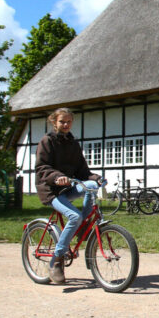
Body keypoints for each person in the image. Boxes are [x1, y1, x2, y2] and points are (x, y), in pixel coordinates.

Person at [35, 107, 100, 284]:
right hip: (51, 190)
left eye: (69, 122)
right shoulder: (47, 141)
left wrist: (96, 178)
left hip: (68, 188)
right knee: (74, 215)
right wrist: (57, 177)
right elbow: (42, 168)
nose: (65, 124)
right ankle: (56, 261)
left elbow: (83, 171)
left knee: (92, 186)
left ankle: (82, 228)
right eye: (62, 121)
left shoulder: (73, 143)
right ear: (54, 122)